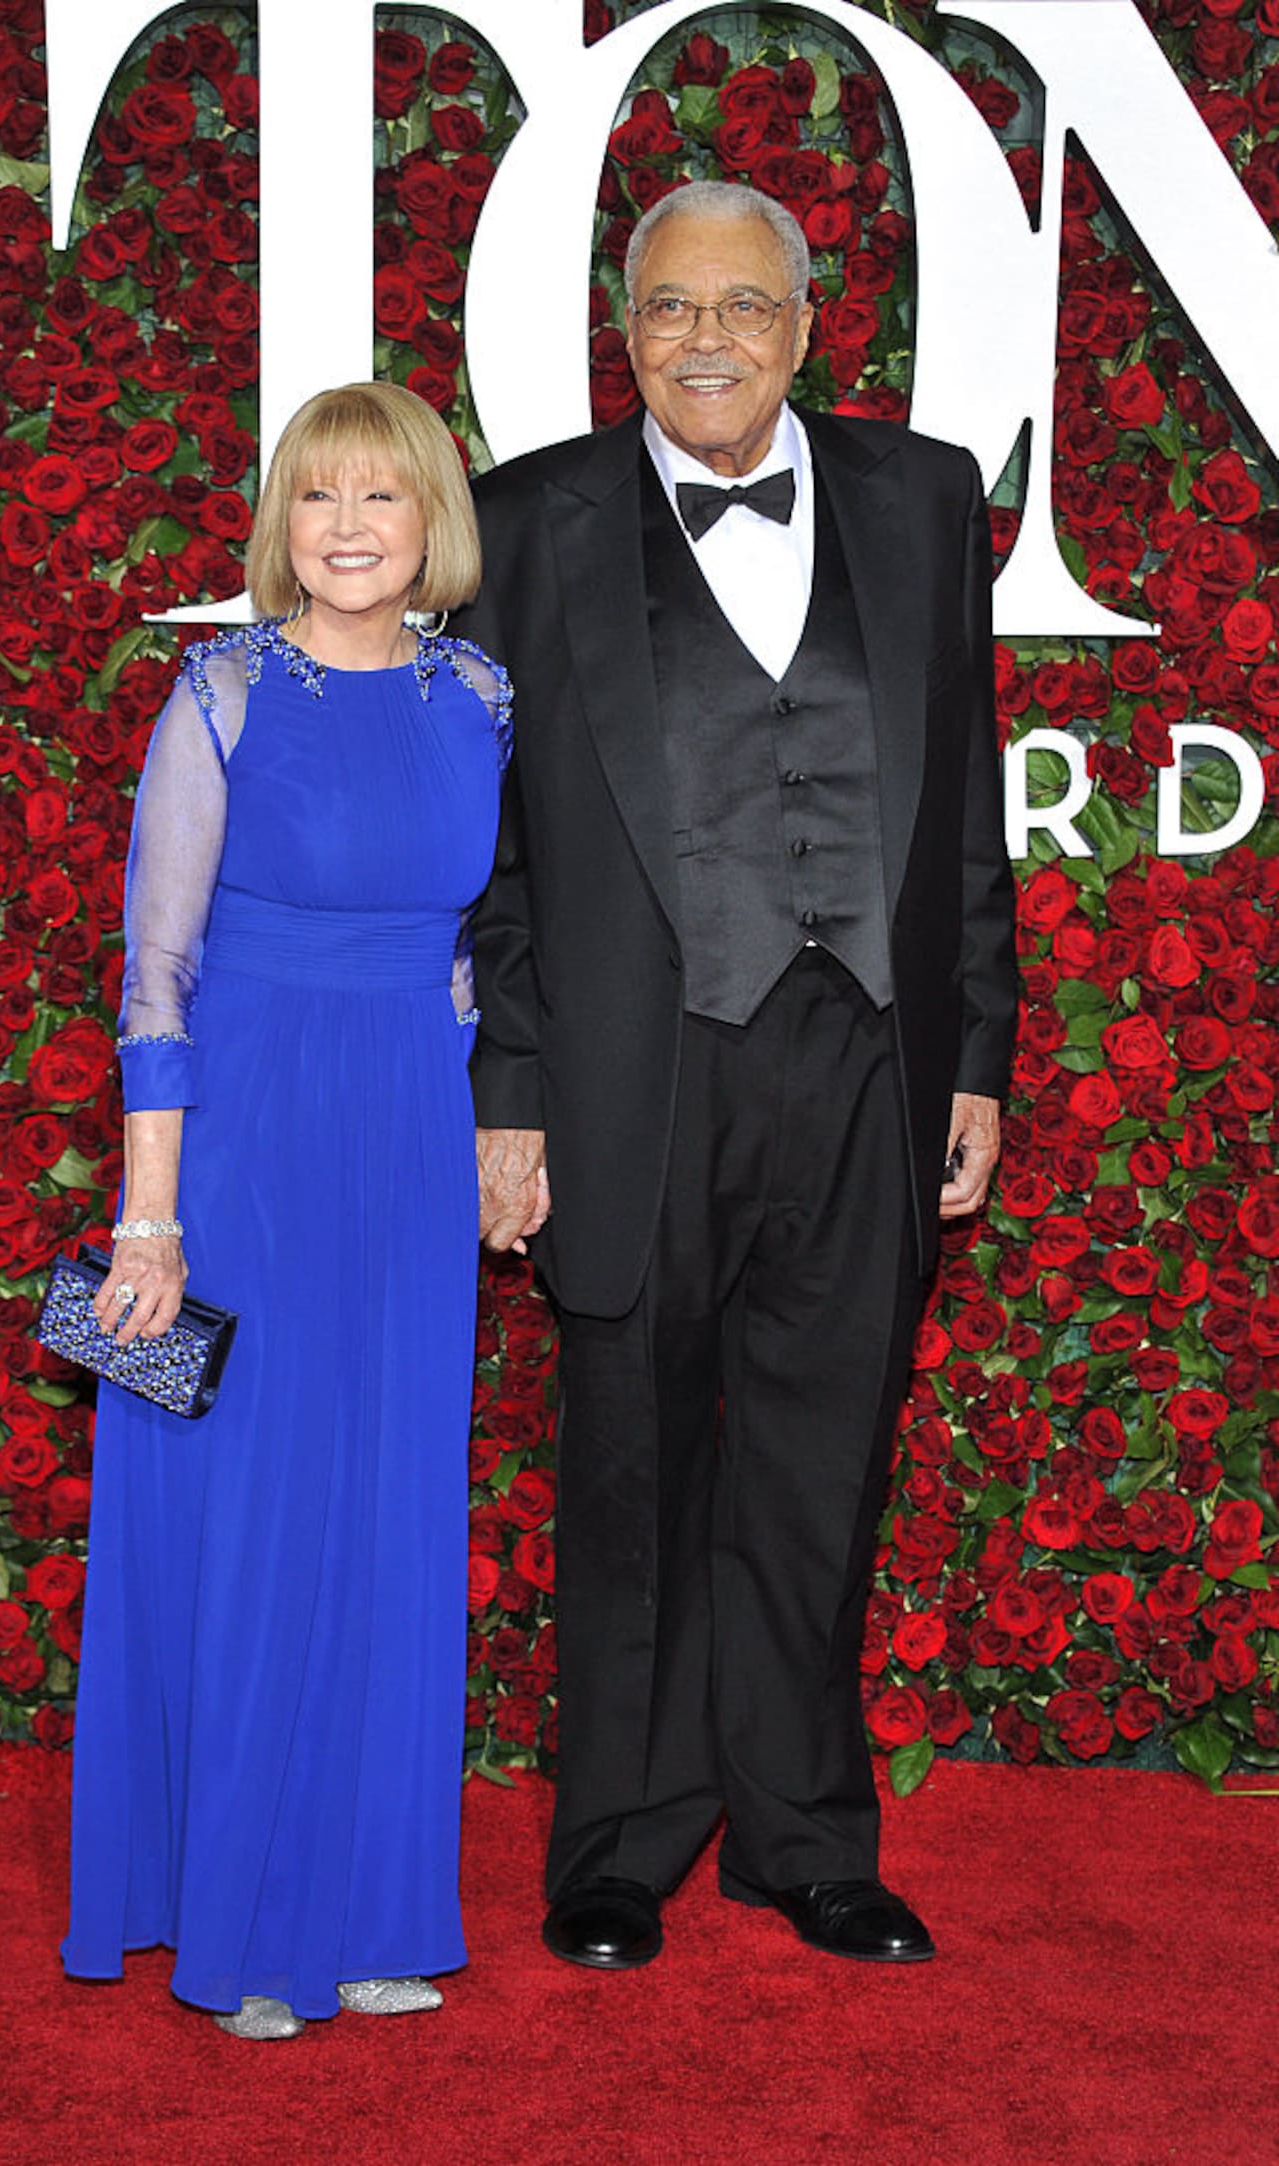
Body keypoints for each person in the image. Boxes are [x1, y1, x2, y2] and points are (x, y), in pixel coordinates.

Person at [459, 181, 1017, 1970]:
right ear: (627, 333)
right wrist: (513, 1090)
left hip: (869, 1051)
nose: (706, 338)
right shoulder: (527, 516)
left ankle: (803, 1835)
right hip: (644, 1067)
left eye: (743, 305)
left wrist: (979, 1051)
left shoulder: (921, 498)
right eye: (669, 309)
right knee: (629, 1461)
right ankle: (618, 1845)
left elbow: (970, 806)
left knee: (819, 1457)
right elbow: (495, 854)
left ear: (803, 324)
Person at [61, 382, 510, 2037]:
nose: (345, 528)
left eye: (379, 500)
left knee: (391, 1523)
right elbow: (157, 968)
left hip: (405, 1135)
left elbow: (464, 941)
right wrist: (151, 1221)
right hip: (244, 1140)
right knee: (253, 1523)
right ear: (282, 523)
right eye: (316, 497)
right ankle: (243, 1924)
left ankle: (376, 1906)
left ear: (428, 527)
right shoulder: (223, 691)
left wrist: (474, 1121)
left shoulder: (481, 694)